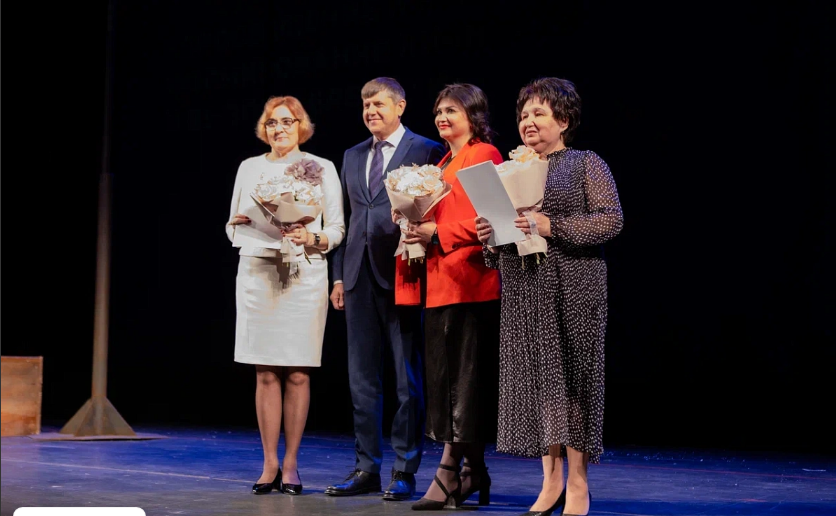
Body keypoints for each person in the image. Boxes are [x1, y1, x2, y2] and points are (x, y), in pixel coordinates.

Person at [475, 77, 623, 516]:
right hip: (525, 287)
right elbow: (496, 252)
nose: (528, 121)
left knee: (574, 384)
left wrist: (551, 226)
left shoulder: (584, 163)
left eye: (539, 113)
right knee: (539, 384)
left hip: (575, 285)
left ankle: (578, 483)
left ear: (564, 120)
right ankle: (550, 481)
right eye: (524, 114)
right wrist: (489, 237)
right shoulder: (507, 172)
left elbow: (610, 220)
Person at [326, 77, 446, 501]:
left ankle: (404, 469)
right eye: (365, 105)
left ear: (400, 106)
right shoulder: (353, 154)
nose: (371, 111)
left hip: (404, 274)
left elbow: (439, 208)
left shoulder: (426, 149)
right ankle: (366, 468)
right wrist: (338, 275)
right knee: (361, 379)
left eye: (378, 104)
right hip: (358, 276)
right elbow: (348, 218)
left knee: (405, 379)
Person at [225, 95, 345, 496]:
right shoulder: (249, 167)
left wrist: (310, 236)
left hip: (304, 274)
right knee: (264, 372)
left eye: (287, 122)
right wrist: (240, 223)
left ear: (301, 126)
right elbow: (231, 226)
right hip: (258, 271)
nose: (279, 129)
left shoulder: (321, 167)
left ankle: (291, 464)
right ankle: (269, 463)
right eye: (272, 122)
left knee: (297, 371)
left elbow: (337, 229)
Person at [398, 83, 502, 510]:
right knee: (447, 386)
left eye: (452, 110)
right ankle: (474, 472)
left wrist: (438, 232)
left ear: (473, 115)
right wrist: (410, 220)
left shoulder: (483, 154)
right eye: (439, 110)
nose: (442, 117)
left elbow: (494, 220)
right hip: (440, 284)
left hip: (472, 284)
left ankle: (447, 471)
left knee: (464, 386)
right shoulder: (441, 162)